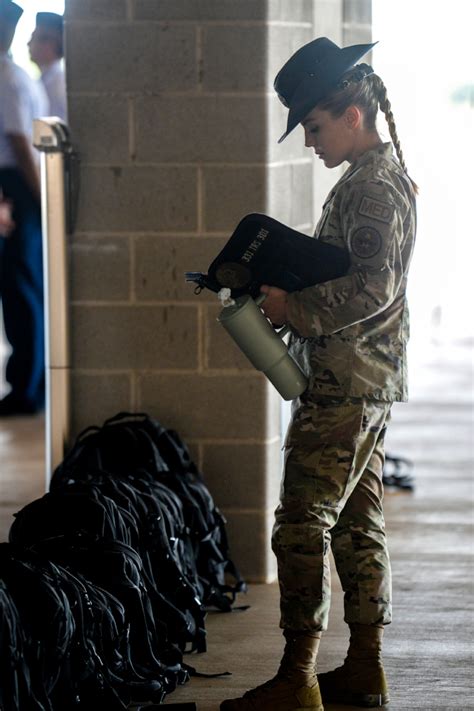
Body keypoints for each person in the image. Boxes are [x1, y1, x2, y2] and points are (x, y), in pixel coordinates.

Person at [221, 37, 417, 711]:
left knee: (301, 521)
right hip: (362, 374)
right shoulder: (370, 178)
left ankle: (298, 677)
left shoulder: (372, 188)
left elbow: (374, 287)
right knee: (356, 525)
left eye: (314, 125)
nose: (309, 141)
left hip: (347, 381)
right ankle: (364, 668)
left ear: (351, 114)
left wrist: (292, 306)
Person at [0, 0, 48, 415]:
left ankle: (26, 388)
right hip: (19, 186)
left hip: (15, 187)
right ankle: (31, 382)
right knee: (23, 286)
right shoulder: (16, 75)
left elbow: (18, 142)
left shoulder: (8, 78)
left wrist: (36, 198)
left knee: (20, 289)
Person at [28, 11, 67, 121]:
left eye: (35, 38)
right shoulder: (44, 81)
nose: (29, 43)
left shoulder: (59, 85)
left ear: (51, 44)